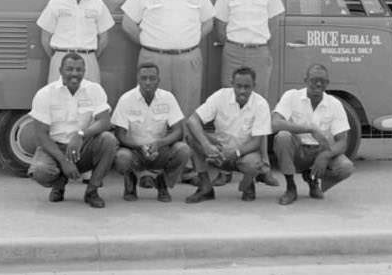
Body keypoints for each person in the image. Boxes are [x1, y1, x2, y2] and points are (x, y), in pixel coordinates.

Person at [119, 0, 214, 118]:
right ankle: (154, 143)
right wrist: (148, 43)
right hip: (154, 59)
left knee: (187, 105)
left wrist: (192, 39)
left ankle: (184, 144)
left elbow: (209, 21)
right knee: (153, 105)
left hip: (187, 59)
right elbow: (127, 23)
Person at [26, 53, 118, 208]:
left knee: (109, 140)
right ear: (60, 70)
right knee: (40, 172)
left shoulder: (94, 90)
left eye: (79, 69)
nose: (74, 73)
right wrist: (63, 161)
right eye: (69, 69)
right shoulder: (45, 94)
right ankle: (59, 184)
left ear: (84, 71)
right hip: (55, 147)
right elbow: (41, 135)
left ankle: (92, 191)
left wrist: (80, 135)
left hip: (82, 146)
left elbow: (105, 121)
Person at [182, 67, 281, 203]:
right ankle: (205, 187)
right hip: (219, 149)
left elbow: (257, 142)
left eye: (247, 87)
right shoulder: (220, 96)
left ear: (254, 86)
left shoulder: (261, 103)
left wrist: (235, 153)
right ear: (232, 83)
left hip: (244, 152)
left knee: (253, 164)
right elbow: (192, 120)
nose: (242, 91)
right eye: (238, 86)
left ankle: (249, 185)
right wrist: (207, 146)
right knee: (191, 134)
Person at [270, 63, 354, 206]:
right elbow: (275, 124)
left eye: (322, 80)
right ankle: (291, 187)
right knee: (282, 137)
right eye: (314, 80)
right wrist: (310, 129)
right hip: (297, 149)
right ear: (305, 80)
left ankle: (313, 180)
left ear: (328, 83)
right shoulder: (291, 96)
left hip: (320, 150)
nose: (318, 84)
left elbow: (342, 142)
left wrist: (324, 156)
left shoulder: (334, 104)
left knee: (346, 167)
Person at [110, 62, 193, 202]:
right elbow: (120, 135)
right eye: (144, 78)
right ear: (138, 79)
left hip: (160, 150)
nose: (148, 82)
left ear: (158, 80)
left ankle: (163, 182)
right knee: (122, 158)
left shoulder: (168, 98)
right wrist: (139, 147)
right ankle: (130, 181)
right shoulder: (126, 99)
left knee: (183, 150)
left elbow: (179, 131)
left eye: (152, 78)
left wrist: (160, 143)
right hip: (134, 151)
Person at [212, 0, 286, 87]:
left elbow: (274, 23)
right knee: (230, 93)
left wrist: (263, 47)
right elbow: (220, 24)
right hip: (233, 52)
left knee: (258, 94)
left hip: (259, 51)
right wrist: (233, 44)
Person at [36, 0, 115, 83]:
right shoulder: (55, 3)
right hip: (61, 60)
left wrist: (88, 56)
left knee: (90, 100)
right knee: (59, 100)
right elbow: (45, 38)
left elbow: (104, 39)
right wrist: (58, 56)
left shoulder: (97, 4)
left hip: (88, 60)